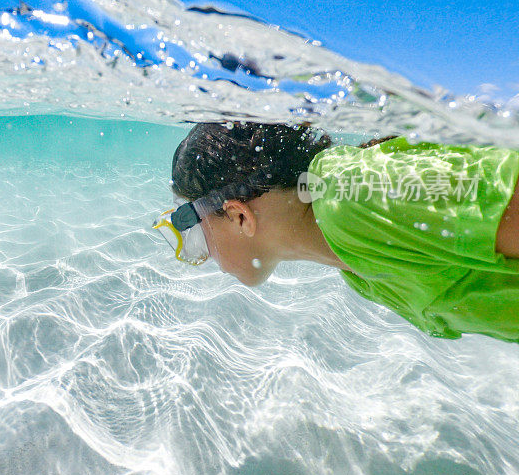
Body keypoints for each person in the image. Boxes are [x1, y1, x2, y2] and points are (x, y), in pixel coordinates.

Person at [153, 122, 519, 343]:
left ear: (239, 217)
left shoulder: (351, 198)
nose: (205, 258)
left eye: (198, 236)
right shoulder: (358, 275)